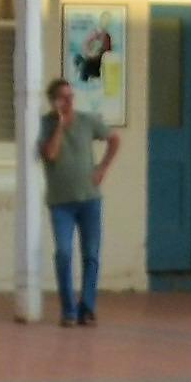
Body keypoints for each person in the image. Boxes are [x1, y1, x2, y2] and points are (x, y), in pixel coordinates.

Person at [37, 74, 120, 325]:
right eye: (63, 97)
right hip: (61, 202)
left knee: (91, 254)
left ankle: (88, 306)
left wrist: (102, 167)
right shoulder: (44, 124)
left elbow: (114, 139)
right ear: (53, 101)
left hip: (89, 199)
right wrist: (60, 125)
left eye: (71, 97)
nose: (69, 101)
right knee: (63, 253)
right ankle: (68, 310)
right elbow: (50, 153)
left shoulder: (87, 121)